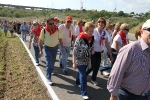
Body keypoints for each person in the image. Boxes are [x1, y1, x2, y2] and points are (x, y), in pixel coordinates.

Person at [107, 19, 150, 100]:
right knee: (111, 65)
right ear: (141, 31)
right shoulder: (131, 49)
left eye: (128, 30)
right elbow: (117, 73)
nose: (127, 31)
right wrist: (113, 95)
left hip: (145, 95)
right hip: (126, 95)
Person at [86, 17, 113, 86]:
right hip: (93, 51)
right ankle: (83, 75)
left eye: (102, 22)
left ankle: (93, 79)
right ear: (97, 23)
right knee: (92, 66)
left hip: (100, 52)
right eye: (99, 22)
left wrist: (110, 54)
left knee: (97, 66)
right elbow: (88, 41)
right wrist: (91, 49)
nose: (100, 23)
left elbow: (107, 44)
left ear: (104, 24)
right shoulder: (94, 31)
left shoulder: (105, 32)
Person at [73, 22, 95, 100]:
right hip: (80, 60)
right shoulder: (80, 38)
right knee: (84, 75)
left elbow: (91, 47)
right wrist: (74, 62)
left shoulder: (92, 38)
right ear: (85, 29)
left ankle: (77, 82)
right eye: (90, 31)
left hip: (87, 59)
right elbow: (75, 51)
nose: (91, 33)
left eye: (92, 31)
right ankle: (84, 93)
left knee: (81, 72)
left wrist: (92, 51)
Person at [38, 18, 63, 85]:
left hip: (55, 48)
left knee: (53, 61)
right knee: (49, 63)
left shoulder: (57, 29)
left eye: (53, 23)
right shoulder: (44, 31)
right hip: (47, 48)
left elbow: (60, 38)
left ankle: (51, 70)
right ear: (47, 24)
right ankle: (48, 78)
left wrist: (62, 47)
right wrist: (40, 50)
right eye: (50, 24)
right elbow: (40, 41)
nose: (52, 25)